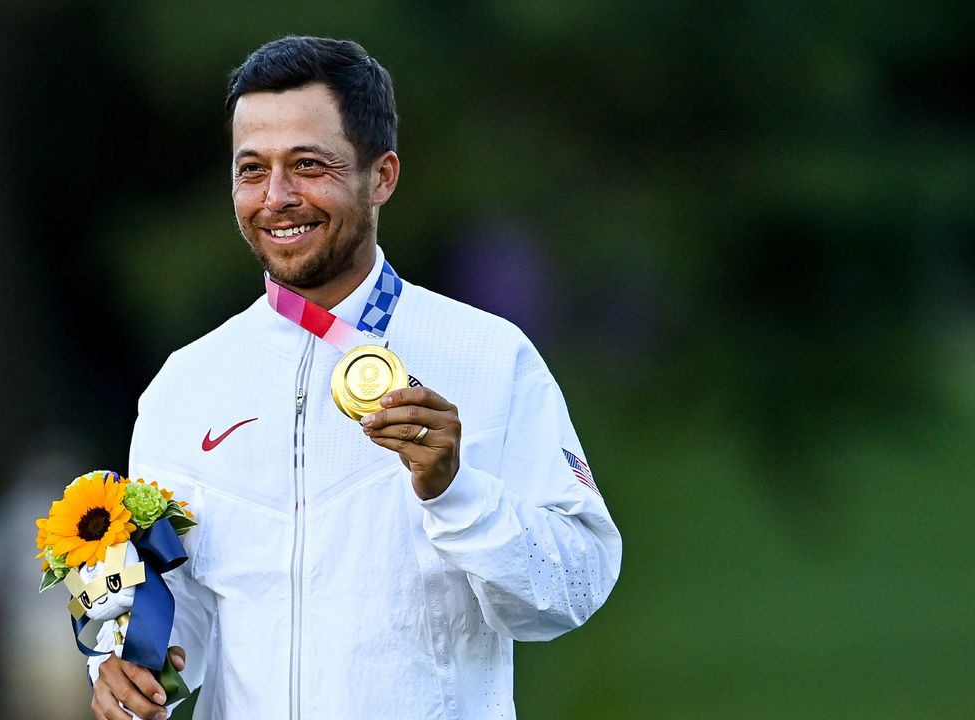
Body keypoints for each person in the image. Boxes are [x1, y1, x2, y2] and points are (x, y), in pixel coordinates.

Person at [88, 35, 622, 720]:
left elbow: (575, 586)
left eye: (308, 165)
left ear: (383, 177)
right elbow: (178, 615)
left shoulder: (489, 356)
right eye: (252, 170)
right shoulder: (186, 385)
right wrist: (127, 667)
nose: (277, 197)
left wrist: (456, 493)